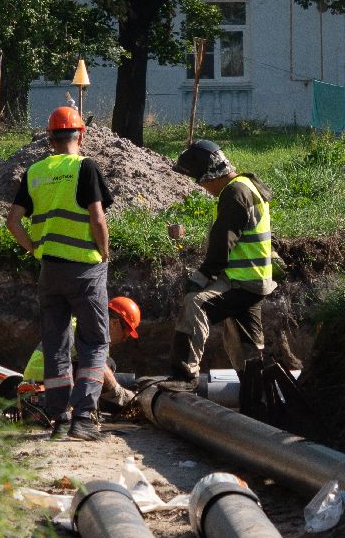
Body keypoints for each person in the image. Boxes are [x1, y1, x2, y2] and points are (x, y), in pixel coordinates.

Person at [4, 106, 113, 440]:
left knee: (56, 344)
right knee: (94, 342)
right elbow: (97, 217)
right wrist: (105, 254)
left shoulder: (35, 172)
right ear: (81, 134)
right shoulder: (86, 167)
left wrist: (35, 250)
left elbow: (12, 221)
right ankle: (82, 417)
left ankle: (60, 420)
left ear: (49, 137)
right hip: (85, 269)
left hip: (49, 270)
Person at [167, 138, 274, 390]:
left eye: (200, 180)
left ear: (211, 174)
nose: (202, 186)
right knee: (248, 349)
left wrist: (202, 276)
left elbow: (222, 243)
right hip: (255, 280)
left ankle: (183, 378)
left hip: (240, 281)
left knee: (195, 304)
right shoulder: (248, 185)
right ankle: (256, 403)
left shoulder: (233, 193)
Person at [101, 295, 141, 412]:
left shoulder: (95, 328)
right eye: (125, 333)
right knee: (106, 365)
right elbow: (97, 365)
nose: (124, 339)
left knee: (109, 363)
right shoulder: (93, 331)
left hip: (56, 373)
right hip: (50, 379)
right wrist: (120, 393)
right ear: (115, 323)